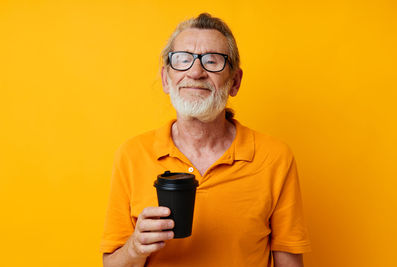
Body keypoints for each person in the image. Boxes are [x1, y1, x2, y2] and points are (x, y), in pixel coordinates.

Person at [101, 13, 311, 267]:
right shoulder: (132, 155)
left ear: (235, 82)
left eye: (212, 61)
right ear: (167, 79)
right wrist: (135, 248)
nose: (196, 71)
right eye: (182, 60)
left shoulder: (275, 157)